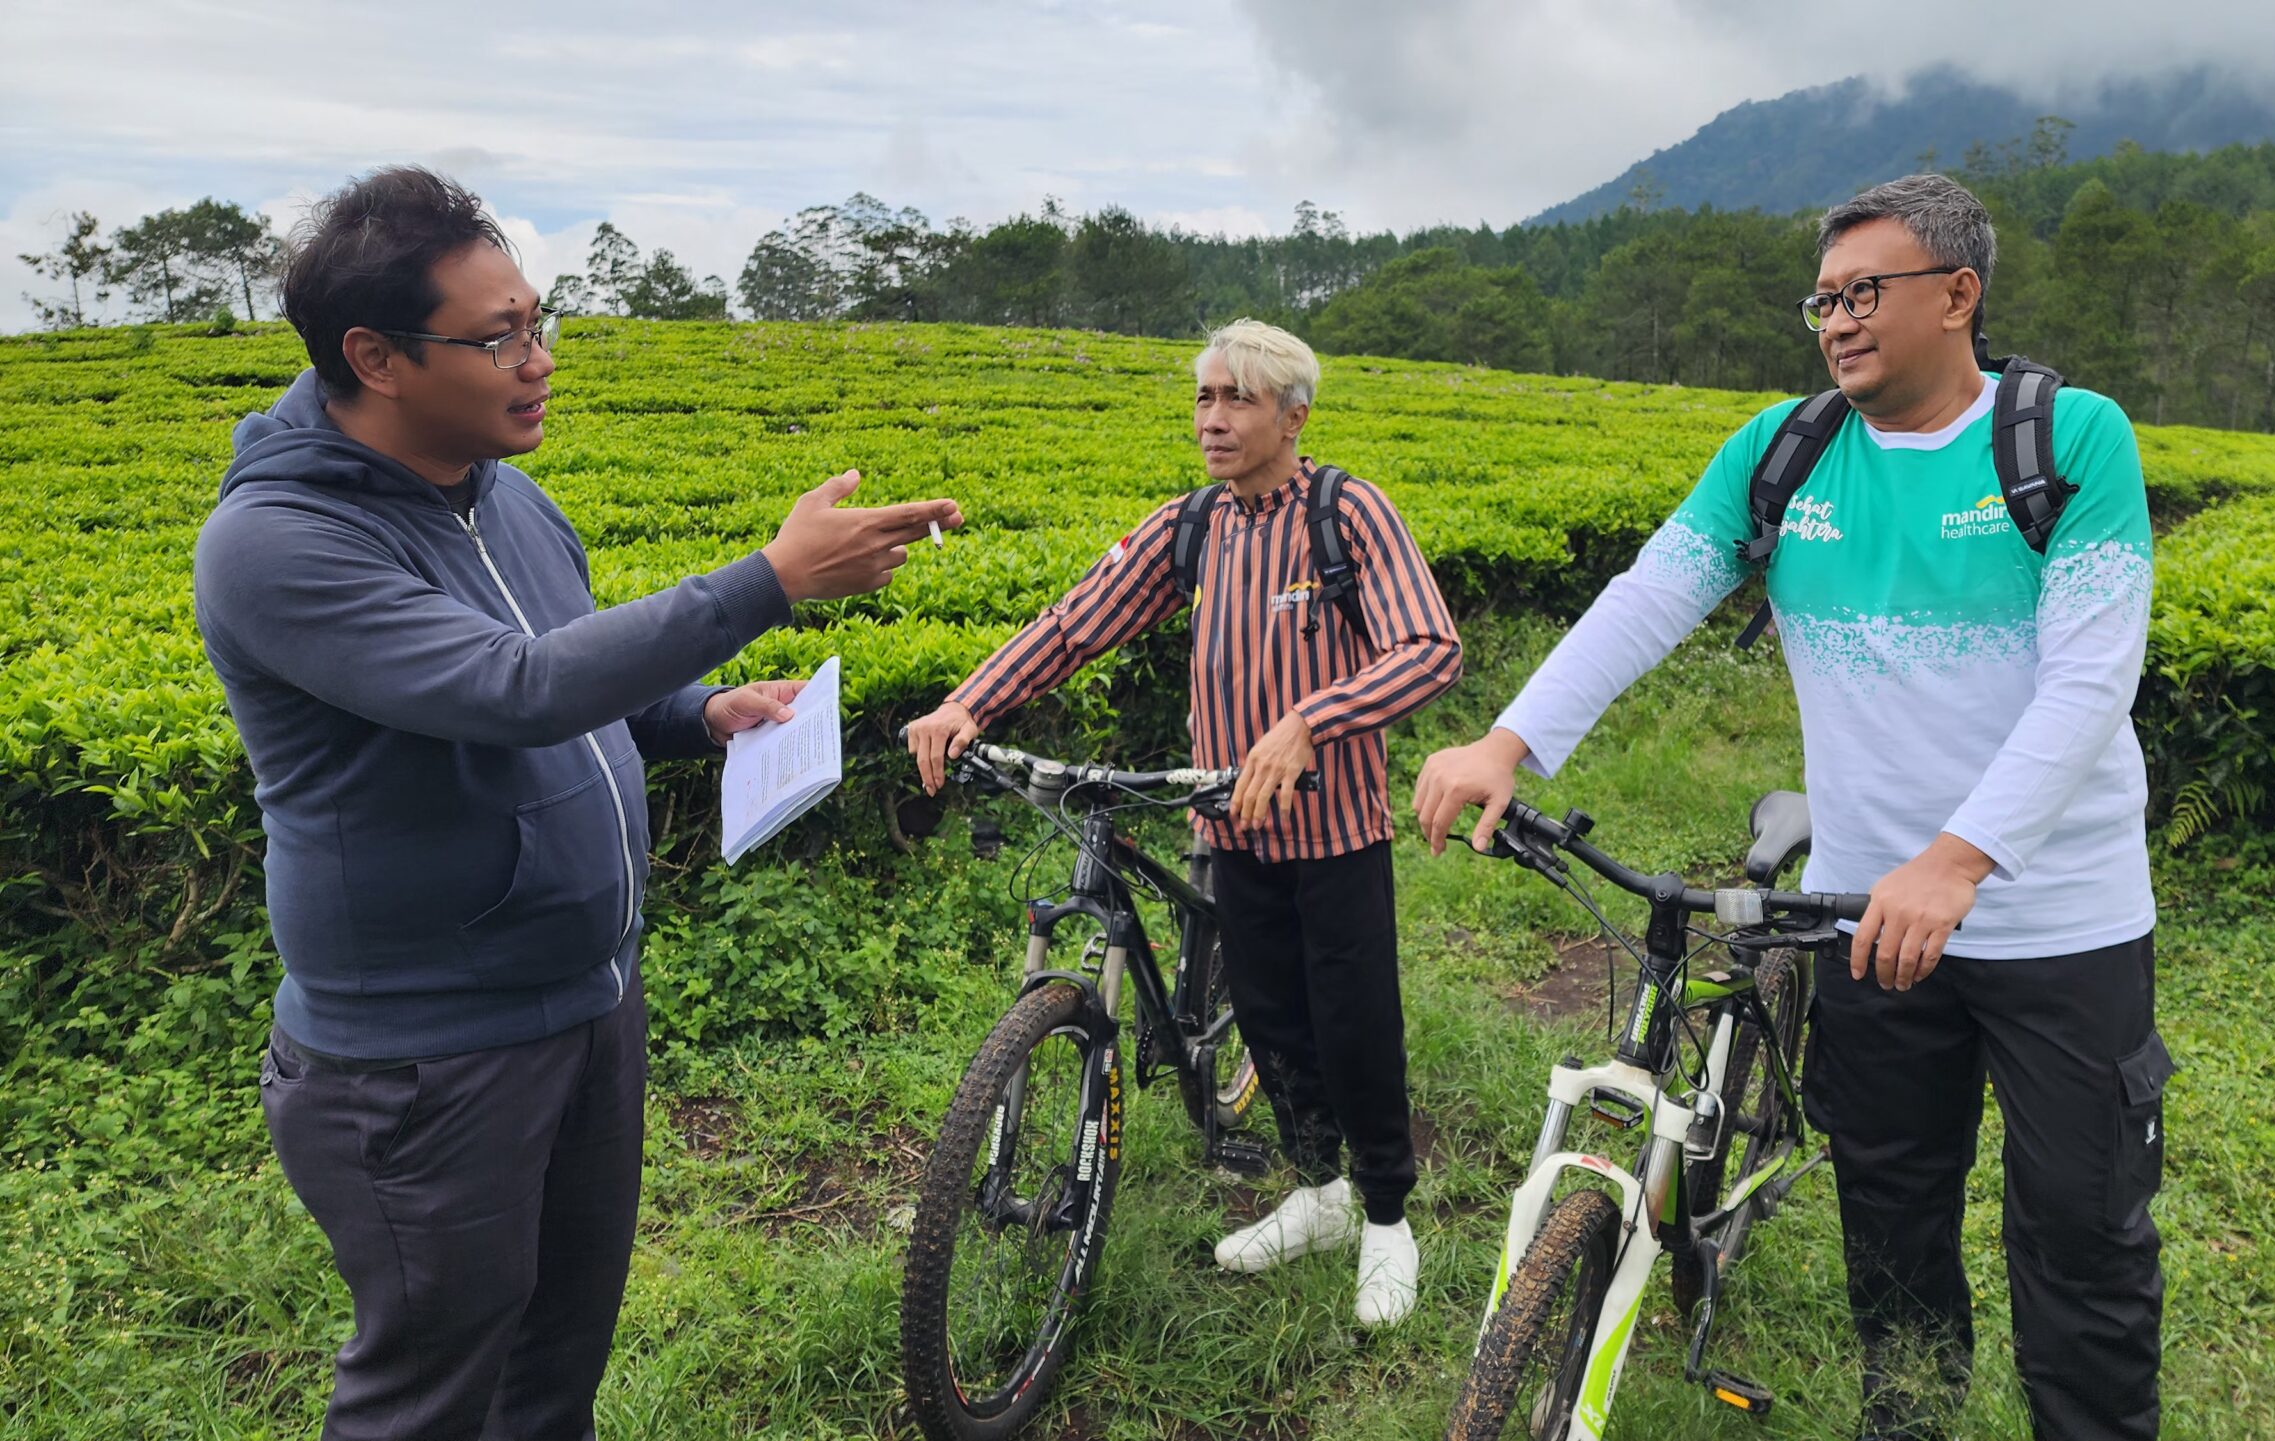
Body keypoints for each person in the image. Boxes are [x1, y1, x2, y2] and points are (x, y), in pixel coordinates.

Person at [192, 165, 961, 1440]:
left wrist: (700, 712)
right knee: (429, 1392)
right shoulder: (280, 543)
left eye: (539, 320)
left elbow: (567, 667)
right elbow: (512, 688)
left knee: (555, 1360)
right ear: (375, 356)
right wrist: (769, 579)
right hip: (428, 1059)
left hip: (588, 1004)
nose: (538, 358)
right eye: (498, 337)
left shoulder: (502, 496)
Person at [1413, 174, 2172, 1440]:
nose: (1836, 319)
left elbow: (2094, 672)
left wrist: (1962, 857)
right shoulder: (1785, 449)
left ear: (1958, 296)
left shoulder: (2067, 439)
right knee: (1890, 1202)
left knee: (2080, 1226)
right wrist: (1511, 737)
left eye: (1865, 291)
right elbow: (1652, 591)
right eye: (1821, 298)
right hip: (1865, 911)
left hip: (2060, 920)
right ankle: (1910, 1415)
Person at [904, 319, 1461, 1327]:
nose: (1213, 419)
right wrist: (967, 703)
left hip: (1333, 831)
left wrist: (1312, 720)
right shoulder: (1191, 526)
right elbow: (1075, 622)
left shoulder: (1347, 512)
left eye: (1237, 400)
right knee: (1275, 1020)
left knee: (1353, 1023)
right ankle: (1318, 1188)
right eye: (1205, 397)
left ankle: (1384, 1213)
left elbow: (1428, 646)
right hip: (1227, 830)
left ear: (1295, 416)